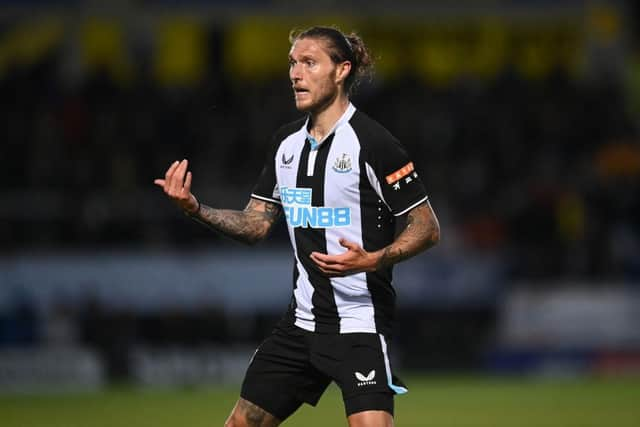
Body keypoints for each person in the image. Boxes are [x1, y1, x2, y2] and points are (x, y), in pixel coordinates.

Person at [155, 26, 440, 427]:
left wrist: (373, 258)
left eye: (309, 62)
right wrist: (196, 208)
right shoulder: (285, 145)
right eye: (292, 63)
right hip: (299, 326)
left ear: (341, 71)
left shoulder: (375, 144)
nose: (295, 73)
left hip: (358, 323)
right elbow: (256, 224)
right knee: (241, 423)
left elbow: (426, 227)